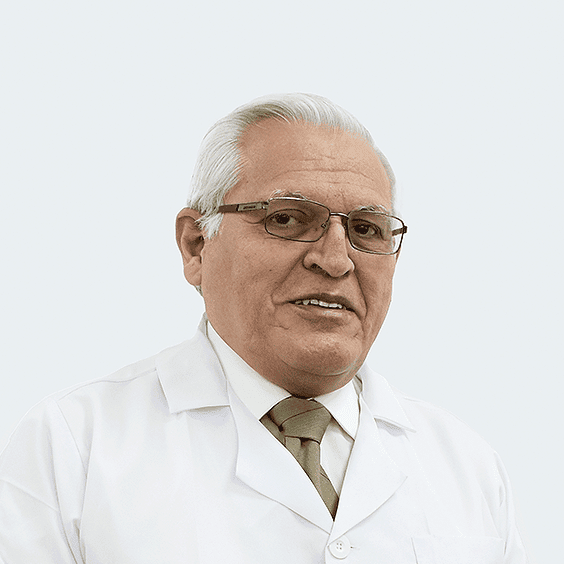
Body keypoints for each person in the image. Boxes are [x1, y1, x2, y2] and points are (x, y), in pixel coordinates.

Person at [0, 93, 528, 563]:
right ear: (196, 246)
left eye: (366, 229)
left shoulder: (468, 468)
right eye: (288, 219)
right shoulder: (74, 447)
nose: (335, 260)